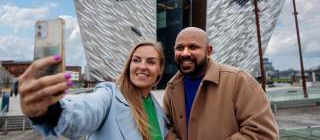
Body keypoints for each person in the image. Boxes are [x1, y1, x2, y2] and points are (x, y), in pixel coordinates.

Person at [19, 41, 168, 140]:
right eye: (136, 60)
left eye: (151, 62)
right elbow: (86, 108)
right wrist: (51, 110)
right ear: (129, 65)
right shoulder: (109, 94)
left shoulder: (159, 110)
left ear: (160, 70)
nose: (142, 66)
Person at [163, 27, 279, 140]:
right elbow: (167, 128)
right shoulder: (172, 87)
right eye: (180, 48)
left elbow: (263, 134)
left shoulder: (239, 81)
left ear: (208, 51)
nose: (185, 53)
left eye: (193, 47)